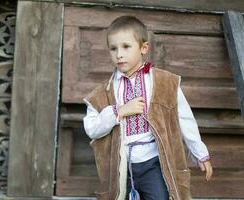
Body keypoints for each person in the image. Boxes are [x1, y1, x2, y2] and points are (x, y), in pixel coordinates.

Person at [83, 16, 213, 200]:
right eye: (113, 48)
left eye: (126, 47)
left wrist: (200, 154)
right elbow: (91, 128)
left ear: (144, 47)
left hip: (154, 163)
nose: (119, 54)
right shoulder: (102, 92)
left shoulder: (164, 82)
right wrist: (119, 111)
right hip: (120, 167)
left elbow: (184, 118)